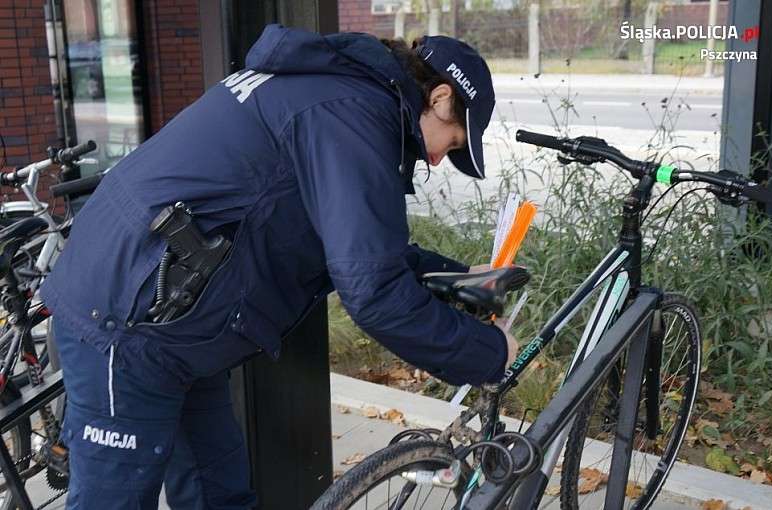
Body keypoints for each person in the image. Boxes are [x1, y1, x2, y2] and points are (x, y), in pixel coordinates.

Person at [41, 24, 519, 509]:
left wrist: (456, 275)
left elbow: (358, 249)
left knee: (219, 494)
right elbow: (374, 293)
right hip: (127, 322)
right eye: (451, 143)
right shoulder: (351, 114)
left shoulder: (336, 94)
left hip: (172, 323)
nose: (437, 160)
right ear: (440, 98)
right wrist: (489, 353)